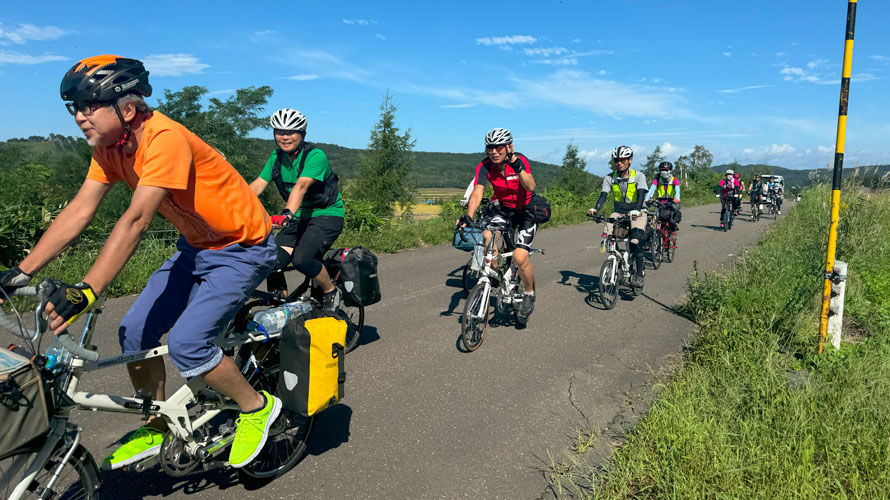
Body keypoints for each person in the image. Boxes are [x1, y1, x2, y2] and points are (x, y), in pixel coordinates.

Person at [0, 56, 281, 470]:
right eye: (73, 107)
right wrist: (22, 271)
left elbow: (136, 220)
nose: (79, 116)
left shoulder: (164, 139)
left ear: (126, 109)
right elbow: (80, 210)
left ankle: (255, 406)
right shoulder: (110, 148)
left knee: (188, 343)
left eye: (88, 105)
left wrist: (88, 289)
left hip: (242, 247)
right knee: (134, 331)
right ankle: (158, 420)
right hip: (196, 247)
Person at [248, 109, 344, 309]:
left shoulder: (315, 156)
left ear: (302, 134)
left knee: (302, 258)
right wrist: (231, 204)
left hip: (326, 215)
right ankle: (279, 304)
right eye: (280, 131)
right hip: (298, 218)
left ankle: (330, 290)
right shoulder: (276, 158)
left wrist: (287, 213)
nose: (285, 136)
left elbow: (301, 186)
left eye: (291, 132)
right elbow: (257, 185)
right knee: (271, 260)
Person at [460, 128, 538, 323]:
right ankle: (495, 275)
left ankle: (529, 293)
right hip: (504, 210)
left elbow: (530, 186)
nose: (494, 151)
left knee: (520, 257)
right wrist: (468, 216)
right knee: (487, 235)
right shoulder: (485, 165)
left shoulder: (519, 160)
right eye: (490, 148)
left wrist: (517, 166)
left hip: (526, 212)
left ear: (508, 147)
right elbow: (478, 192)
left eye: (498, 147)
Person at [587, 145, 648, 288]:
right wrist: (595, 209)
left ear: (630, 160)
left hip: (637, 211)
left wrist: (637, 211)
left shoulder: (639, 176)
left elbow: (640, 197)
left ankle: (639, 274)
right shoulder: (609, 178)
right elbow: (603, 196)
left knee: (635, 240)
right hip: (619, 212)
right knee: (607, 233)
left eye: (622, 160)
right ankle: (616, 260)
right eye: (616, 160)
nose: (619, 163)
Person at [645, 161, 681, 247]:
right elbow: (652, 189)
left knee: (670, 217)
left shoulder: (674, 179)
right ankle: (649, 240)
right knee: (652, 219)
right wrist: (646, 199)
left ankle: (673, 231)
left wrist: (677, 198)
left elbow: (677, 189)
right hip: (660, 202)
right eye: (662, 170)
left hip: (671, 202)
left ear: (670, 170)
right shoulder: (657, 179)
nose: (664, 172)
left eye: (666, 170)